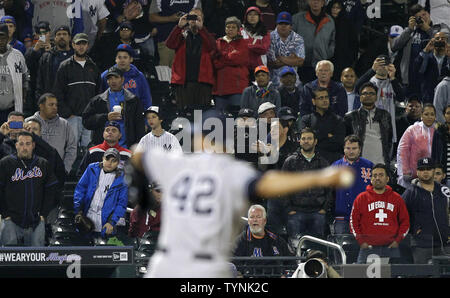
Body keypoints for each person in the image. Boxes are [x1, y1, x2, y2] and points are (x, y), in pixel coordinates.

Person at [129, 109, 355, 278]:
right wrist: (321, 177)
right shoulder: (228, 170)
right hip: (204, 267)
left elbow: (137, 156)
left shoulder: (174, 164)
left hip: (165, 265)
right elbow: (267, 184)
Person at [0, 131, 58, 246]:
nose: (24, 147)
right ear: (16, 145)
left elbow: (51, 190)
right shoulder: (5, 163)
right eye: (21, 144)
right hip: (10, 220)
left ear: (33, 145)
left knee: (37, 258)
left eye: (27, 144)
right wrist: (5, 213)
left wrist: (43, 214)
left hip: (36, 221)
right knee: (10, 258)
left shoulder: (42, 164)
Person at [350, 163, 410, 264]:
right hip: (367, 248)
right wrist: (361, 241)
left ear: (387, 178)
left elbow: (405, 222)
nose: (378, 178)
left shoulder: (397, 198)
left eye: (381, 175)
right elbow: (353, 221)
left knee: (394, 275)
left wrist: (397, 240)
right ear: (371, 179)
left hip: (391, 247)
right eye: (375, 175)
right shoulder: (361, 198)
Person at [52, 33, 102, 151]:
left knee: (89, 150)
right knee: (70, 150)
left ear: (88, 46)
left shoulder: (94, 67)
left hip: (89, 118)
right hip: (72, 117)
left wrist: (94, 113)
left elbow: (98, 93)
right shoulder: (65, 66)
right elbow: (58, 92)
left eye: (84, 44)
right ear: (73, 45)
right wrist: (68, 113)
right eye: (78, 44)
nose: (81, 47)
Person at [282, 127, 332, 240]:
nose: (306, 141)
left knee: (318, 248)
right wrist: (289, 209)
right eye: (303, 138)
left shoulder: (323, 163)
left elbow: (329, 189)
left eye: (309, 138)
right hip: (295, 212)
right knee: (295, 248)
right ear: (299, 141)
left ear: (315, 141)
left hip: (318, 213)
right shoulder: (290, 161)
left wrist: (324, 208)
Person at [391, 3, 450, 97]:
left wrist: (428, 29)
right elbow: (394, 46)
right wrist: (409, 29)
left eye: (424, 15)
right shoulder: (410, 32)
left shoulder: (441, 27)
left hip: (433, 80)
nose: (423, 18)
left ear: (428, 13)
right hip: (411, 81)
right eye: (418, 17)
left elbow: (447, 40)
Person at [165, 8, 216, 114]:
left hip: (202, 83)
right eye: (191, 16)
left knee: (201, 115)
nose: (194, 20)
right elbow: (170, 44)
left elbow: (212, 46)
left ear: (202, 19)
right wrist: (178, 27)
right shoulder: (181, 35)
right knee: (184, 115)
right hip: (183, 82)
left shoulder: (206, 35)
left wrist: (202, 29)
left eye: (197, 17)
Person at [82, 66, 145, 149]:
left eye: (116, 77)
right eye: (110, 78)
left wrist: (137, 147)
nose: (113, 81)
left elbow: (139, 125)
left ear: (122, 79)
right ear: (107, 81)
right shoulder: (97, 100)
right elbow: (86, 122)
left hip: (126, 148)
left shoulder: (133, 100)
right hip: (103, 149)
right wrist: (105, 117)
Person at [402, 157, 450, 264]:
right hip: (422, 245)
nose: (425, 172)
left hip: (445, 242)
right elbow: (400, 215)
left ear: (433, 170)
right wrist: (415, 231)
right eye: (422, 169)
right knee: (422, 273)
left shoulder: (443, 190)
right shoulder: (410, 192)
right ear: (417, 172)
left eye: (428, 169)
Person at [73, 148, 128, 239]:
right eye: (107, 159)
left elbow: (121, 204)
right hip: (87, 217)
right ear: (102, 158)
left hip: (106, 222)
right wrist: (78, 211)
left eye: (113, 161)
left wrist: (112, 222)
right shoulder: (92, 168)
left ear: (118, 163)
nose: (109, 163)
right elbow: (80, 190)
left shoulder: (122, 179)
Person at [354, 55, 405, 145]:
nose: (382, 67)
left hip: (388, 129)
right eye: (379, 63)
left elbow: (401, 97)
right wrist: (372, 70)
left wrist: (393, 77)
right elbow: (357, 88)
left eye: (384, 64)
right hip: (369, 129)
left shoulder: (392, 83)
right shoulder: (369, 81)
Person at [232, 204, 294, 277]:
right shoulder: (241, 240)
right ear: (248, 221)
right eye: (252, 217)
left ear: (264, 221)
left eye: (258, 217)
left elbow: (291, 262)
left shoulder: (276, 240)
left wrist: (285, 275)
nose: (255, 220)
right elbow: (232, 263)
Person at [331, 135, 374, 235]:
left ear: (359, 149)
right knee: (341, 248)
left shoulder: (369, 166)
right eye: (348, 148)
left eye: (354, 148)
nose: (351, 151)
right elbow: (329, 192)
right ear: (344, 149)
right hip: (341, 217)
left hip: (364, 216)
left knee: (364, 247)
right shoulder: (335, 166)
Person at [25, 93, 77, 175]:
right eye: (51, 105)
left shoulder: (64, 124)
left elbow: (71, 148)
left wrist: (65, 168)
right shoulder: (28, 122)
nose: (54, 107)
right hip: (32, 171)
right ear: (41, 106)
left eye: (56, 105)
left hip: (56, 171)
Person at [344, 82, 393, 167]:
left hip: (381, 163)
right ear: (360, 97)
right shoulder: (350, 117)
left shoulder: (385, 115)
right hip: (358, 163)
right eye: (365, 93)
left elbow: (389, 139)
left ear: (376, 97)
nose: (368, 95)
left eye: (371, 93)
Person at [292, 0, 335, 84]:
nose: (316, 2)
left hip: (320, 65)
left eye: (319, 0)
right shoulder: (297, 18)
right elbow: (290, 39)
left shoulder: (329, 21)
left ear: (323, 3)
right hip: (300, 64)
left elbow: (332, 41)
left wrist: (326, 54)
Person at [212, 16, 249, 115]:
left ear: (238, 29)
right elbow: (215, 62)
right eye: (228, 27)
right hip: (220, 88)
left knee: (237, 117)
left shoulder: (243, 43)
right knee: (220, 119)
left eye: (233, 27)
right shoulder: (218, 42)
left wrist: (222, 55)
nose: (230, 29)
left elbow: (238, 59)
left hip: (237, 88)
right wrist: (230, 56)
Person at [299, 87, 345, 164]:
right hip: (310, 162)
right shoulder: (306, 119)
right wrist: (327, 135)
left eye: (326, 97)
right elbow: (306, 142)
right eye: (321, 98)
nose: (325, 100)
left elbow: (339, 142)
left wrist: (316, 136)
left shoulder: (338, 119)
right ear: (313, 101)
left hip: (333, 162)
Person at [149, 0, 202, 67]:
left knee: (186, 70)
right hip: (166, 40)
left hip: (188, 42)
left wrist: (188, 20)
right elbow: (152, 17)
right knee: (165, 71)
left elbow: (200, 16)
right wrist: (170, 18)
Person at [100, 44, 152, 110]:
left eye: (125, 57)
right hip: (112, 116)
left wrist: (146, 116)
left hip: (134, 116)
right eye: (119, 57)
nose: (122, 60)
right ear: (115, 59)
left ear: (131, 59)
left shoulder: (139, 76)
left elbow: (146, 98)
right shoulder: (106, 75)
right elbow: (99, 97)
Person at [397, 103, 437, 188]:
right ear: (421, 116)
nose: (429, 117)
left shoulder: (438, 131)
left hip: (433, 175)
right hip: (413, 176)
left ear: (435, 117)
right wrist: (405, 171)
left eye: (432, 114)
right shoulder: (412, 130)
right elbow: (403, 151)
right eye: (426, 114)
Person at [35, 25, 73, 103]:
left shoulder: (76, 56)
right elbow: (40, 81)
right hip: (52, 100)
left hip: (72, 100)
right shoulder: (46, 57)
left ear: (69, 38)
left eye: (64, 34)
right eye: (58, 34)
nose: (61, 36)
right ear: (55, 38)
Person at [267, 11, 304, 89]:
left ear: (290, 26)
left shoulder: (298, 39)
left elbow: (300, 62)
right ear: (276, 25)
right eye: (280, 24)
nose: (283, 26)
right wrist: (291, 60)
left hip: (294, 81)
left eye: (286, 24)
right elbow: (272, 64)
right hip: (273, 82)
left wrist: (280, 58)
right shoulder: (269, 37)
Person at [0, 23, 28, 124]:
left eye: (2, 37)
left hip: (13, 108)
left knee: (14, 136)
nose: (0, 40)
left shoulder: (17, 55)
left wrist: (23, 97)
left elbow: (25, 76)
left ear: (8, 37)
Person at [326, 0, 358, 82]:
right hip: (326, 60)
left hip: (343, 61)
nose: (335, 10)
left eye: (338, 8)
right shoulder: (324, 22)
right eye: (333, 7)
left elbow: (354, 43)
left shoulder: (348, 24)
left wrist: (351, 59)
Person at [414, 31, 449, 103]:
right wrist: (425, 50)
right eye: (437, 38)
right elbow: (417, 69)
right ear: (432, 41)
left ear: (447, 42)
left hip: (446, 95)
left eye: (443, 39)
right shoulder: (427, 56)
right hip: (428, 96)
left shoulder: (448, 57)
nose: (440, 40)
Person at [240, 6, 271, 82]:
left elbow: (264, 49)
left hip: (260, 68)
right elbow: (239, 47)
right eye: (250, 14)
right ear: (246, 17)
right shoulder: (240, 31)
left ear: (259, 17)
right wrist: (256, 47)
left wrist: (248, 46)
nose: (252, 17)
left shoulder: (265, 33)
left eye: (255, 14)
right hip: (244, 67)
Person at [432, 105, 450, 187]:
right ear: (444, 115)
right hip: (443, 176)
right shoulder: (439, 132)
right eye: (448, 113)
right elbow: (434, 154)